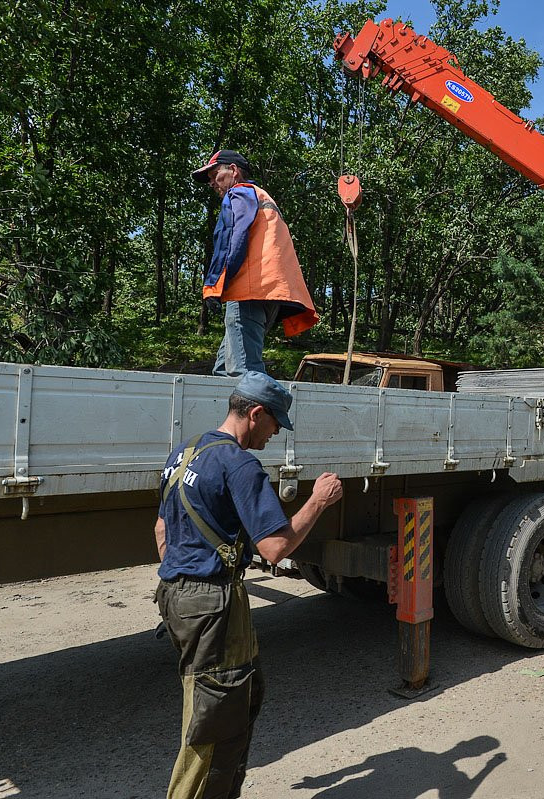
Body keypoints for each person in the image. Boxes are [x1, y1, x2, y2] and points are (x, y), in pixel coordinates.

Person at [153, 371, 342, 799]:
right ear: (255, 414)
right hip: (211, 602)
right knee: (214, 724)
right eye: (275, 423)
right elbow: (275, 548)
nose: (275, 434)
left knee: (241, 695)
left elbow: (162, 529)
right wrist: (318, 500)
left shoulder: (184, 453)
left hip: (181, 598)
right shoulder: (239, 464)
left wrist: (185, 579)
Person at [193, 150, 319, 376]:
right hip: (269, 294)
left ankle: (265, 410)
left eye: (214, 174)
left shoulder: (239, 193)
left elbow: (231, 238)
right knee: (223, 369)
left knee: (243, 373)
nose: (212, 182)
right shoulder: (261, 197)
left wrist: (214, 285)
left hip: (249, 293)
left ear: (233, 170)